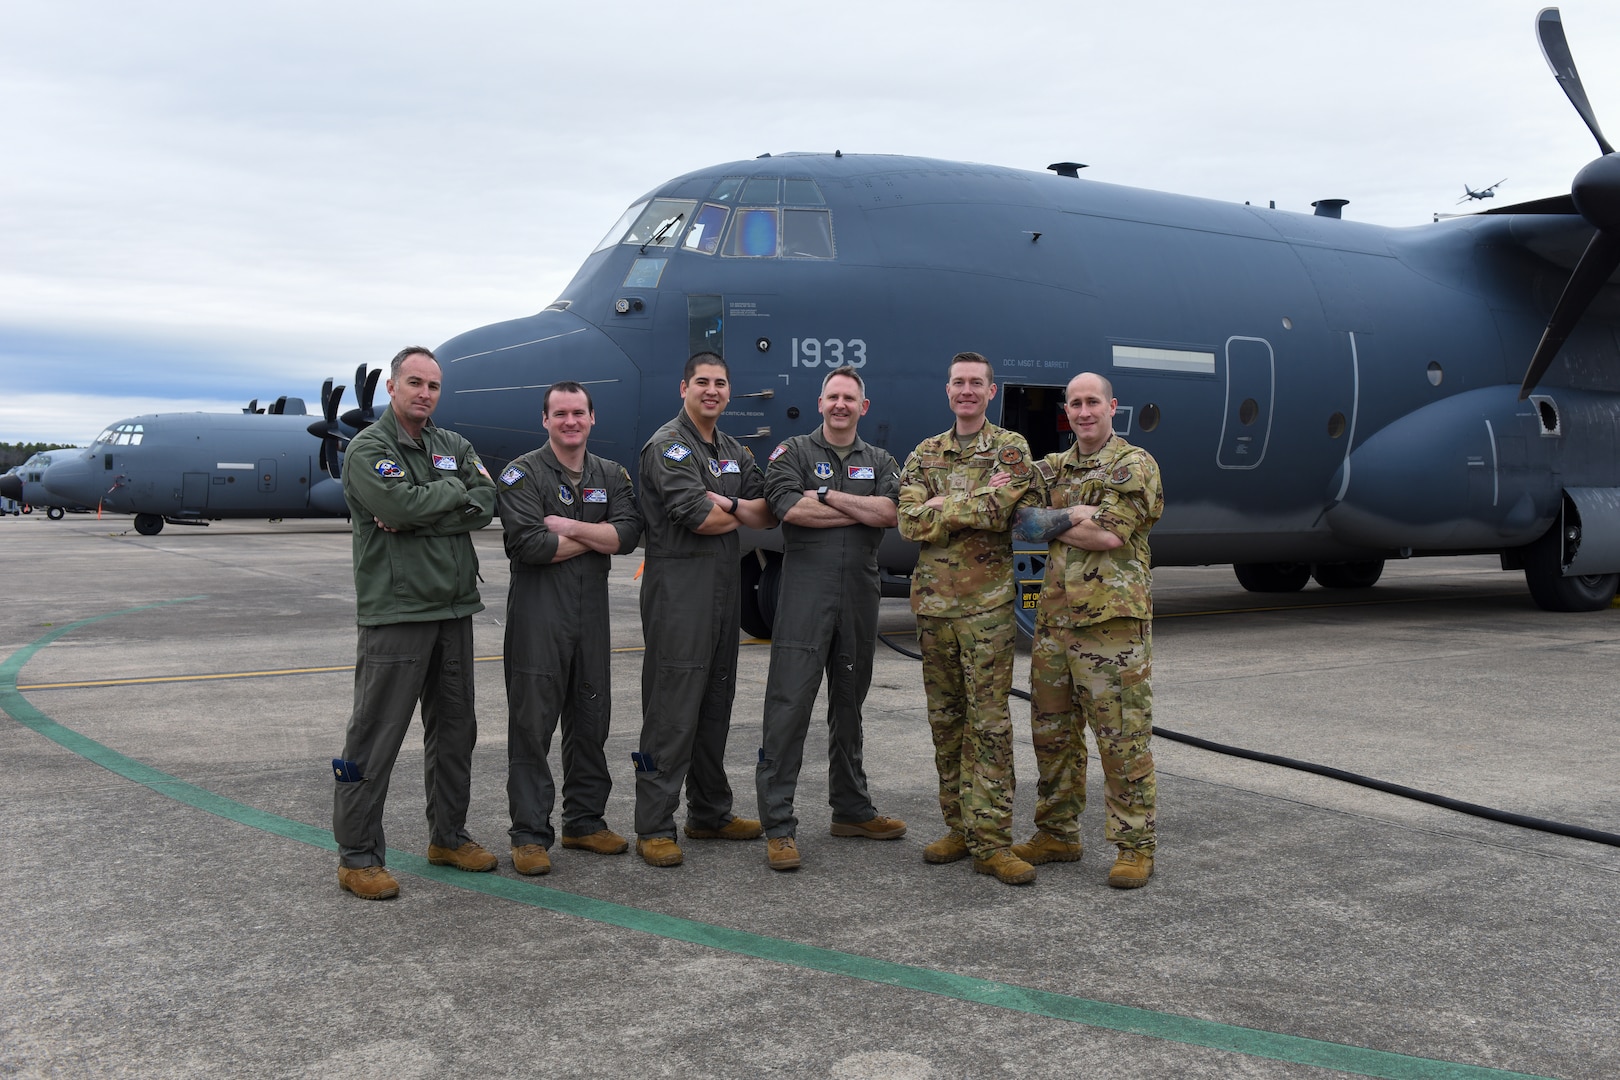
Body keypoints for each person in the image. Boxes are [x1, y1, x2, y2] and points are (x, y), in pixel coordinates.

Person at [331, 346, 499, 900]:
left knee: (455, 732)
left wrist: (426, 506)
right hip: (398, 611)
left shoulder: (453, 445)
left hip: (454, 609)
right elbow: (395, 509)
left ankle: (448, 836)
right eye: (415, 383)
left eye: (433, 386)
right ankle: (358, 856)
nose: (425, 393)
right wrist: (445, 503)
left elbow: (486, 498)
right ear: (393, 388)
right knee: (375, 735)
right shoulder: (369, 449)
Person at [1011, 371, 1163, 888]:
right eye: (1074, 403)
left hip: (1111, 629)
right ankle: (1057, 832)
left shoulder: (1133, 464)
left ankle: (1134, 845)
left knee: (1122, 738)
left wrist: (1051, 519)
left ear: (1112, 406)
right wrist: (1071, 513)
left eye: (1092, 401)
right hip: (1053, 624)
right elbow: (1015, 518)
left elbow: (1109, 536)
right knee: (1052, 736)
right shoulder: (1054, 466)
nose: (1083, 411)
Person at [754, 365, 907, 871]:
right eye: (833, 396)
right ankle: (778, 825)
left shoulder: (880, 459)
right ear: (820, 403)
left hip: (859, 596)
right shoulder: (792, 453)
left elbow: (890, 513)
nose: (840, 404)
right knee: (789, 707)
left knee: (850, 704)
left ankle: (851, 808)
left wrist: (823, 496)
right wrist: (858, 508)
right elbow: (786, 509)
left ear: (864, 407)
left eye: (850, 398)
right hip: (804, 595)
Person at [897, 351, 1041, 885]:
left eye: (975, 383)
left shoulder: (1010, 448)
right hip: (933, 609)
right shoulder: (924, 452)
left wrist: (942, 506)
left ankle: (994, 841)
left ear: (991, 391)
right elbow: (908, 520)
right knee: (946, 722)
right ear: (948, 390)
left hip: (986, 610)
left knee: (990, 725)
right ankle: (959, 828)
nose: (966, 391)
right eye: (958, 382)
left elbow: (1000, 509)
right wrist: (959, 507)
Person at [633, 352, 777, 867]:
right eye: (701, 382)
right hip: (679, 591)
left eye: (720, 383)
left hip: (722, 590)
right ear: (683, 388)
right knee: (672, 710)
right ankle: (653, 824)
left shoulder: (735, 448)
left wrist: (730, 506)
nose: (711, 390)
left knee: (716, 704)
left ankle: (710, 813)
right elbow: (695, 516)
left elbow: (766, 510)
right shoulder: (669, 445)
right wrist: (732, 510)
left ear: (729, 392)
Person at [497, 381, 643, 876]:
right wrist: (597, 537)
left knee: (590, 719)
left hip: (590, 615)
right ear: (545, 420)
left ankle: (584, 822)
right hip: (539, 616)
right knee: (532, 725)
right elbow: (530, 545)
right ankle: (529, 834)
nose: (570, 422)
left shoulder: (611, 474)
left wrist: (570, 528)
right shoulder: (522, 473)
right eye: (560, 414)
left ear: (592, 418)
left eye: (578, 413)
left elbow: (627, 534)